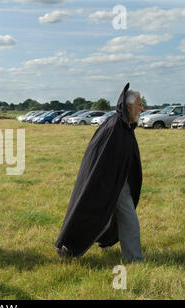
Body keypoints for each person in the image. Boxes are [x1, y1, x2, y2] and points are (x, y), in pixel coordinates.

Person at [55, 83, 145, 262]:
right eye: (139, 105)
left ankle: (70, 248)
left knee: (109, 222)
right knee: (104, 220)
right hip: (106, 184)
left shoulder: (125, 126)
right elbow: (99, 159)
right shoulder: (114, 127)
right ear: (129, 107)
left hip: (117, 184)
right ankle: (69, 248)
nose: (142, 108)